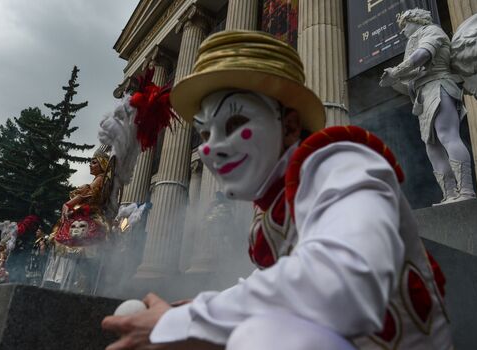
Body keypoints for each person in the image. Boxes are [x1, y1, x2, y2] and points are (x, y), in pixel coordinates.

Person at [102, 30, 452, 350]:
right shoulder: (273, 207)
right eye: (204, 134)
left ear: (290, 126)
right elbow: (282, 284)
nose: (210, 148)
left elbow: (339, 284)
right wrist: (192, 311)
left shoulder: (343, 164)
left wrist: (178, 322)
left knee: (264, 335)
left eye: (236, 123)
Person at [380, 8, 475, 205]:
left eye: (405, 25)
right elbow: (411, 78)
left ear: (417, 21)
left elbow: (422, 56)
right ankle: (450, 194)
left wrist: (396, 72)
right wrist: (393, 79)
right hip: (424, 95)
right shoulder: (413, 40)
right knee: (432, 147)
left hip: (439, 85)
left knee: (447, 135)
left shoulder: (432, 31)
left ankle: (466, 191)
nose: (403, 31)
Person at [42, 147, 110, 293]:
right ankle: (74, 283)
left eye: (93, 162)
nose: (90, 165)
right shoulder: (100, 179)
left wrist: (69, 204)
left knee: (70, 244)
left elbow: (87, 194)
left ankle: (74, 285)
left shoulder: (100, 179)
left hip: (91, 218)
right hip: (92, 217)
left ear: (102, 164)